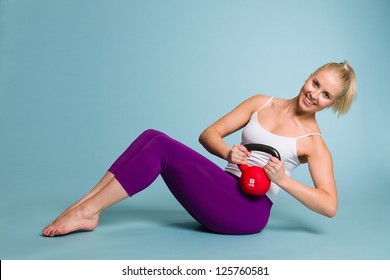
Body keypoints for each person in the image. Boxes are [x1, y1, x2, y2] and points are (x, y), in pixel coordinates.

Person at [42, 61, 357, 237]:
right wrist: (227, 152)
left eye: (326, 95)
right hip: (222, 189)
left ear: (333, 104)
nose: (315, 95)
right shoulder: (262, 102)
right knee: (151, 135)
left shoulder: (313, 143)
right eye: (315, 83)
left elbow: (329, 206)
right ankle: (87, 205)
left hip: (247, 211)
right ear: (308, 76)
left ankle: (88, 211)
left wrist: (284, 181)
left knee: (161, 148)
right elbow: (209, 134)